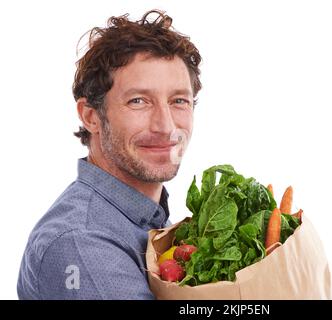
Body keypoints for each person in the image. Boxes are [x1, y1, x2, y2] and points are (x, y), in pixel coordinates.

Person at [17, 9, 202, 299]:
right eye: (138, 101)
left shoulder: (148, 222)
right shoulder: (82, 244)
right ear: (90, 116)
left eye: (179, 100)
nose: (166, 126)